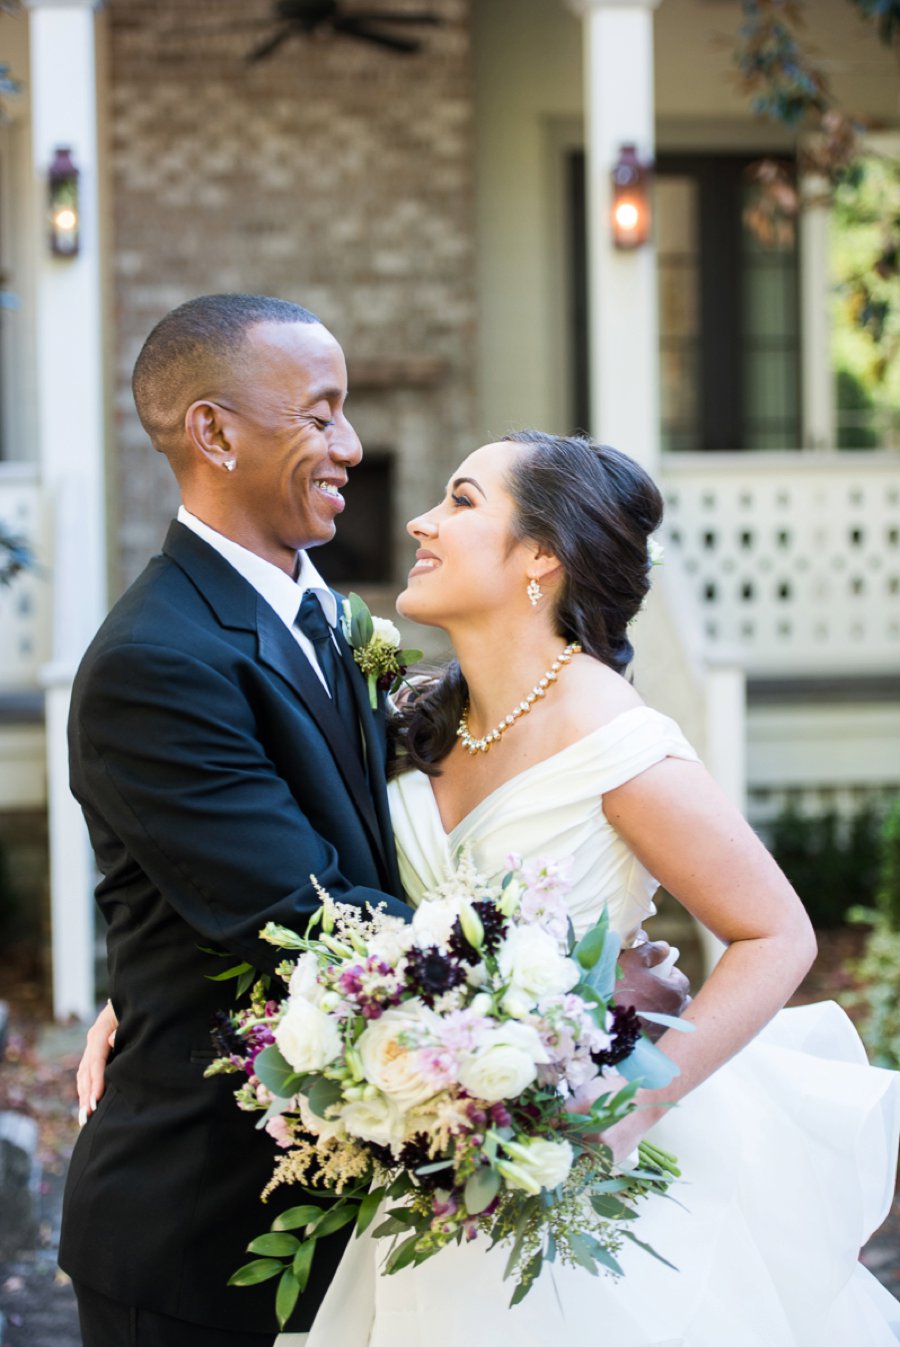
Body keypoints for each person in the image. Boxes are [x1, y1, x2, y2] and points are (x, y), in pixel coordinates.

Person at [65, 298, 686, 1347]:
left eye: (348, 413)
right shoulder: (156, 662)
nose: (351, 447)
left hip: (377, 1229)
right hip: (205, 1237)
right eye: (320, 415)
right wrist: (578, 995)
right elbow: (320, 923)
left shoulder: (341, 626)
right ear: (214, 433)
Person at [303, 431, 900, 1347]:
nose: (422, 521)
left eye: (462, 501)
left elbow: (778, 934)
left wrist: (634, 1099)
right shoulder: (418, 719)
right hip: (435, 1164)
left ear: (543, 556)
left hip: (577, 1174)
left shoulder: (619, 742)